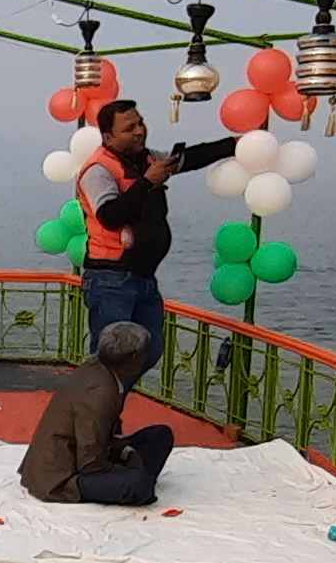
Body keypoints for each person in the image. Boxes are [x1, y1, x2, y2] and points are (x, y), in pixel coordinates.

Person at [74, 98, 238, 348]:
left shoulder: (147, 159)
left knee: (150, 348)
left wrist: (235, 145)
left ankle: (115, 388)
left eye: (140, 124)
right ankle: (96, 388)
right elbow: (109, 216)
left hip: (144, 274)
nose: (139, 131)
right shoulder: (99, 170)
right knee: (111, 354)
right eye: (129, 129)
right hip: (111, 276)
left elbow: (187, 158)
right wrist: (148, 183)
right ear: (108, 138)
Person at [18, 320, 177, 504]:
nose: (147, 358)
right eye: (144, 353)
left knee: (160, 436)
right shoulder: (100, 394)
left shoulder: (97, 369)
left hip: (84, 453)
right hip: (62, 478)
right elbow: (90, 463)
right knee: (138, 484)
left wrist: (126, 452)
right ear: (132, 358)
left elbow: (102, 439)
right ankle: (136, 484)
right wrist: (126, 468)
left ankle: (134, 480)